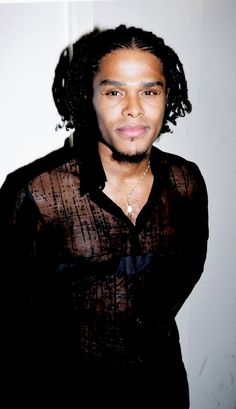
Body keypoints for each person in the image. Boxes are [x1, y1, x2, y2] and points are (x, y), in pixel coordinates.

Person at [1, 25, 208, 407]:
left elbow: (188, 270)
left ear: (167, 98)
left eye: (149, 91)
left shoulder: (187, 182)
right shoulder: (36, 194)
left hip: (162, 385)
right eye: (114, 92)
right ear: (88, 98)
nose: (134, 108)